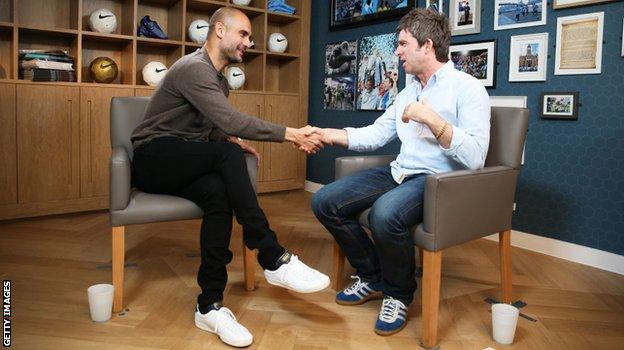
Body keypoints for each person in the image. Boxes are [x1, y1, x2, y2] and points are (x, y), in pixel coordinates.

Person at [130, 7, 330, 348]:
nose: (249, 43)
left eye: (251, 37)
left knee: (218, 193)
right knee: (227, 155)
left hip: (181, 158)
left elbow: (209, 128)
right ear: (219, 30)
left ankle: (208, 305)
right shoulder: (194, 68)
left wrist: (227, 140)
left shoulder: (219, 80)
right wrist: (292, 134)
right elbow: (232, 121)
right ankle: (271, 255)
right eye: (244, 34)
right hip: (153, 159)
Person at [311, 8, 490, 335]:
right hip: (399, 172)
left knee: (385, 213)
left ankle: (398, 293)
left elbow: (477, 157)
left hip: (438, 181)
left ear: (428, 46)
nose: (397, 51)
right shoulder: (407, 92)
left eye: (403, 44)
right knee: (324, 201)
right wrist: (328, 134)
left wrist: (433, 120)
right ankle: (373, 275)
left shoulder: (468, 88)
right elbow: (376, 134)